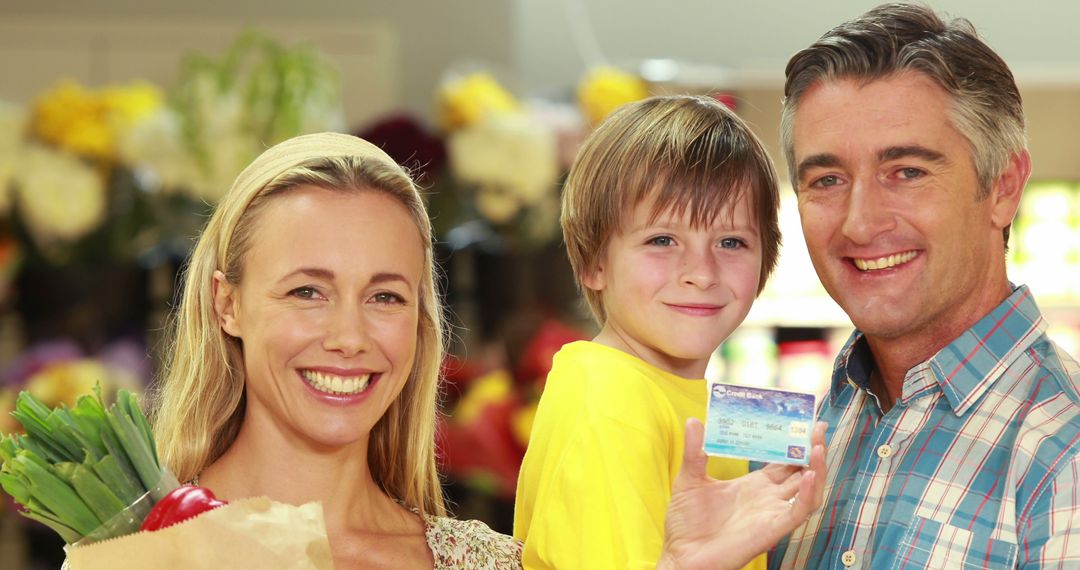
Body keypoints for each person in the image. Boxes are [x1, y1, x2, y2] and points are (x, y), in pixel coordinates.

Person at [145, 131, 825, 569]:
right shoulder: (139, 549)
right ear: (225, 303)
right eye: (306, 292)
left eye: (385, 296)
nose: (349, 338)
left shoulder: (486, 562)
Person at [772, 3, 1079, 569]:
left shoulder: (1065, 454)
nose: (860, 223)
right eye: (827, 179)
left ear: (1004, 187)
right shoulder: (813, 428)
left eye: (907, 172)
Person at [514, 95, 825, 569]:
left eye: (731, 241)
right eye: (662, 240)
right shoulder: (610, 395)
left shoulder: (686, 398)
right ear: (594, 262)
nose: (701, 272)